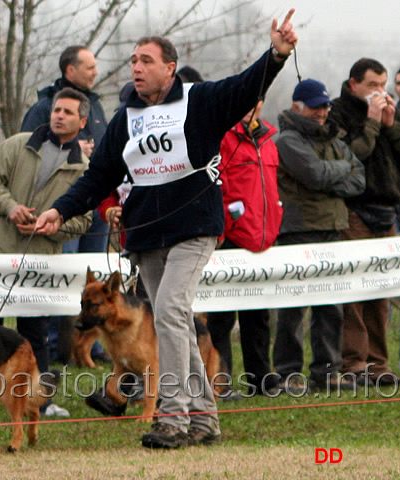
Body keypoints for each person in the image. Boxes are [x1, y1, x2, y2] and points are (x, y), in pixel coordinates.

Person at [35, 10, 298, 449]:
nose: (136, 67)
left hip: (195, 229)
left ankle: (172, 417)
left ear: (169, 68)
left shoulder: (198, 100)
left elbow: (244, 86)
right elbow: (97, 178)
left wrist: (276, 54)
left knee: (173, 312)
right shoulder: (124, 119)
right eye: (133, 60)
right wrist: (59, 213)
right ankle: (207, 420)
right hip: (146, 237)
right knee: (175, 322)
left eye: (146, 60)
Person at [0, 87, 93, 418]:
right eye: (57, 109)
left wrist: (56, 226)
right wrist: (11, 208)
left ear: (82, 121)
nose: (59, 115)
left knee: (35, 333)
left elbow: (84, 220)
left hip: (41, 260)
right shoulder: (17, 144)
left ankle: (41, 400)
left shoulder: (83, 169)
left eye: (68, 112)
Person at [274, 79, 366, 391]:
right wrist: (339, 171)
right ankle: (288, 373)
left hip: (332, 229)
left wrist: (328, 177)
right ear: (297, 106)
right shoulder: (286, 141)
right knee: (293, 308)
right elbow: (315, 174)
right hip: (297, 231)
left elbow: (360, 180)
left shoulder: (335, 140)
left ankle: (327, 372)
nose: (321, 112)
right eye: (315, 106)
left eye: (325, 106)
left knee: (331, 305)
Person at [21, 45, 109, 367]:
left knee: (92, 274)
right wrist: (74, 149)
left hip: (96, 207)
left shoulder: (96, 107)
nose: (95, 72)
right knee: (63, 273)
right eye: (89, 67)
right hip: (62, 207)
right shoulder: (44, 107)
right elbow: (26, 151)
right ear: (70, 71)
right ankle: (58, 344)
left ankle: (90, 343)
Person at [328, 59, 400, 386]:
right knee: (355, 288)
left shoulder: (388, 113)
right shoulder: (338, 113)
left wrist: (390, 123)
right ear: (353, 83)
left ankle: (378, 363)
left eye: (383, 85)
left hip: (386, 212)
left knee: (381, 289)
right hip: (354, 210)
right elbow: (351, 157)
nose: (379, 92)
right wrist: (371, 123)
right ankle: (354, 362)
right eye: (372, 85)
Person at [206, 100, 282, 399]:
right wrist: (223, 226)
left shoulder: (267, 141)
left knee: (258, 314)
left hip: (261, 238)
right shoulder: (221, 138)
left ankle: (260, 379)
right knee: (222, 317)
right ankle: (220, 383)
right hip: (231, 238)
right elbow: (213, 185)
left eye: (256, 101)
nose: (251, 107)